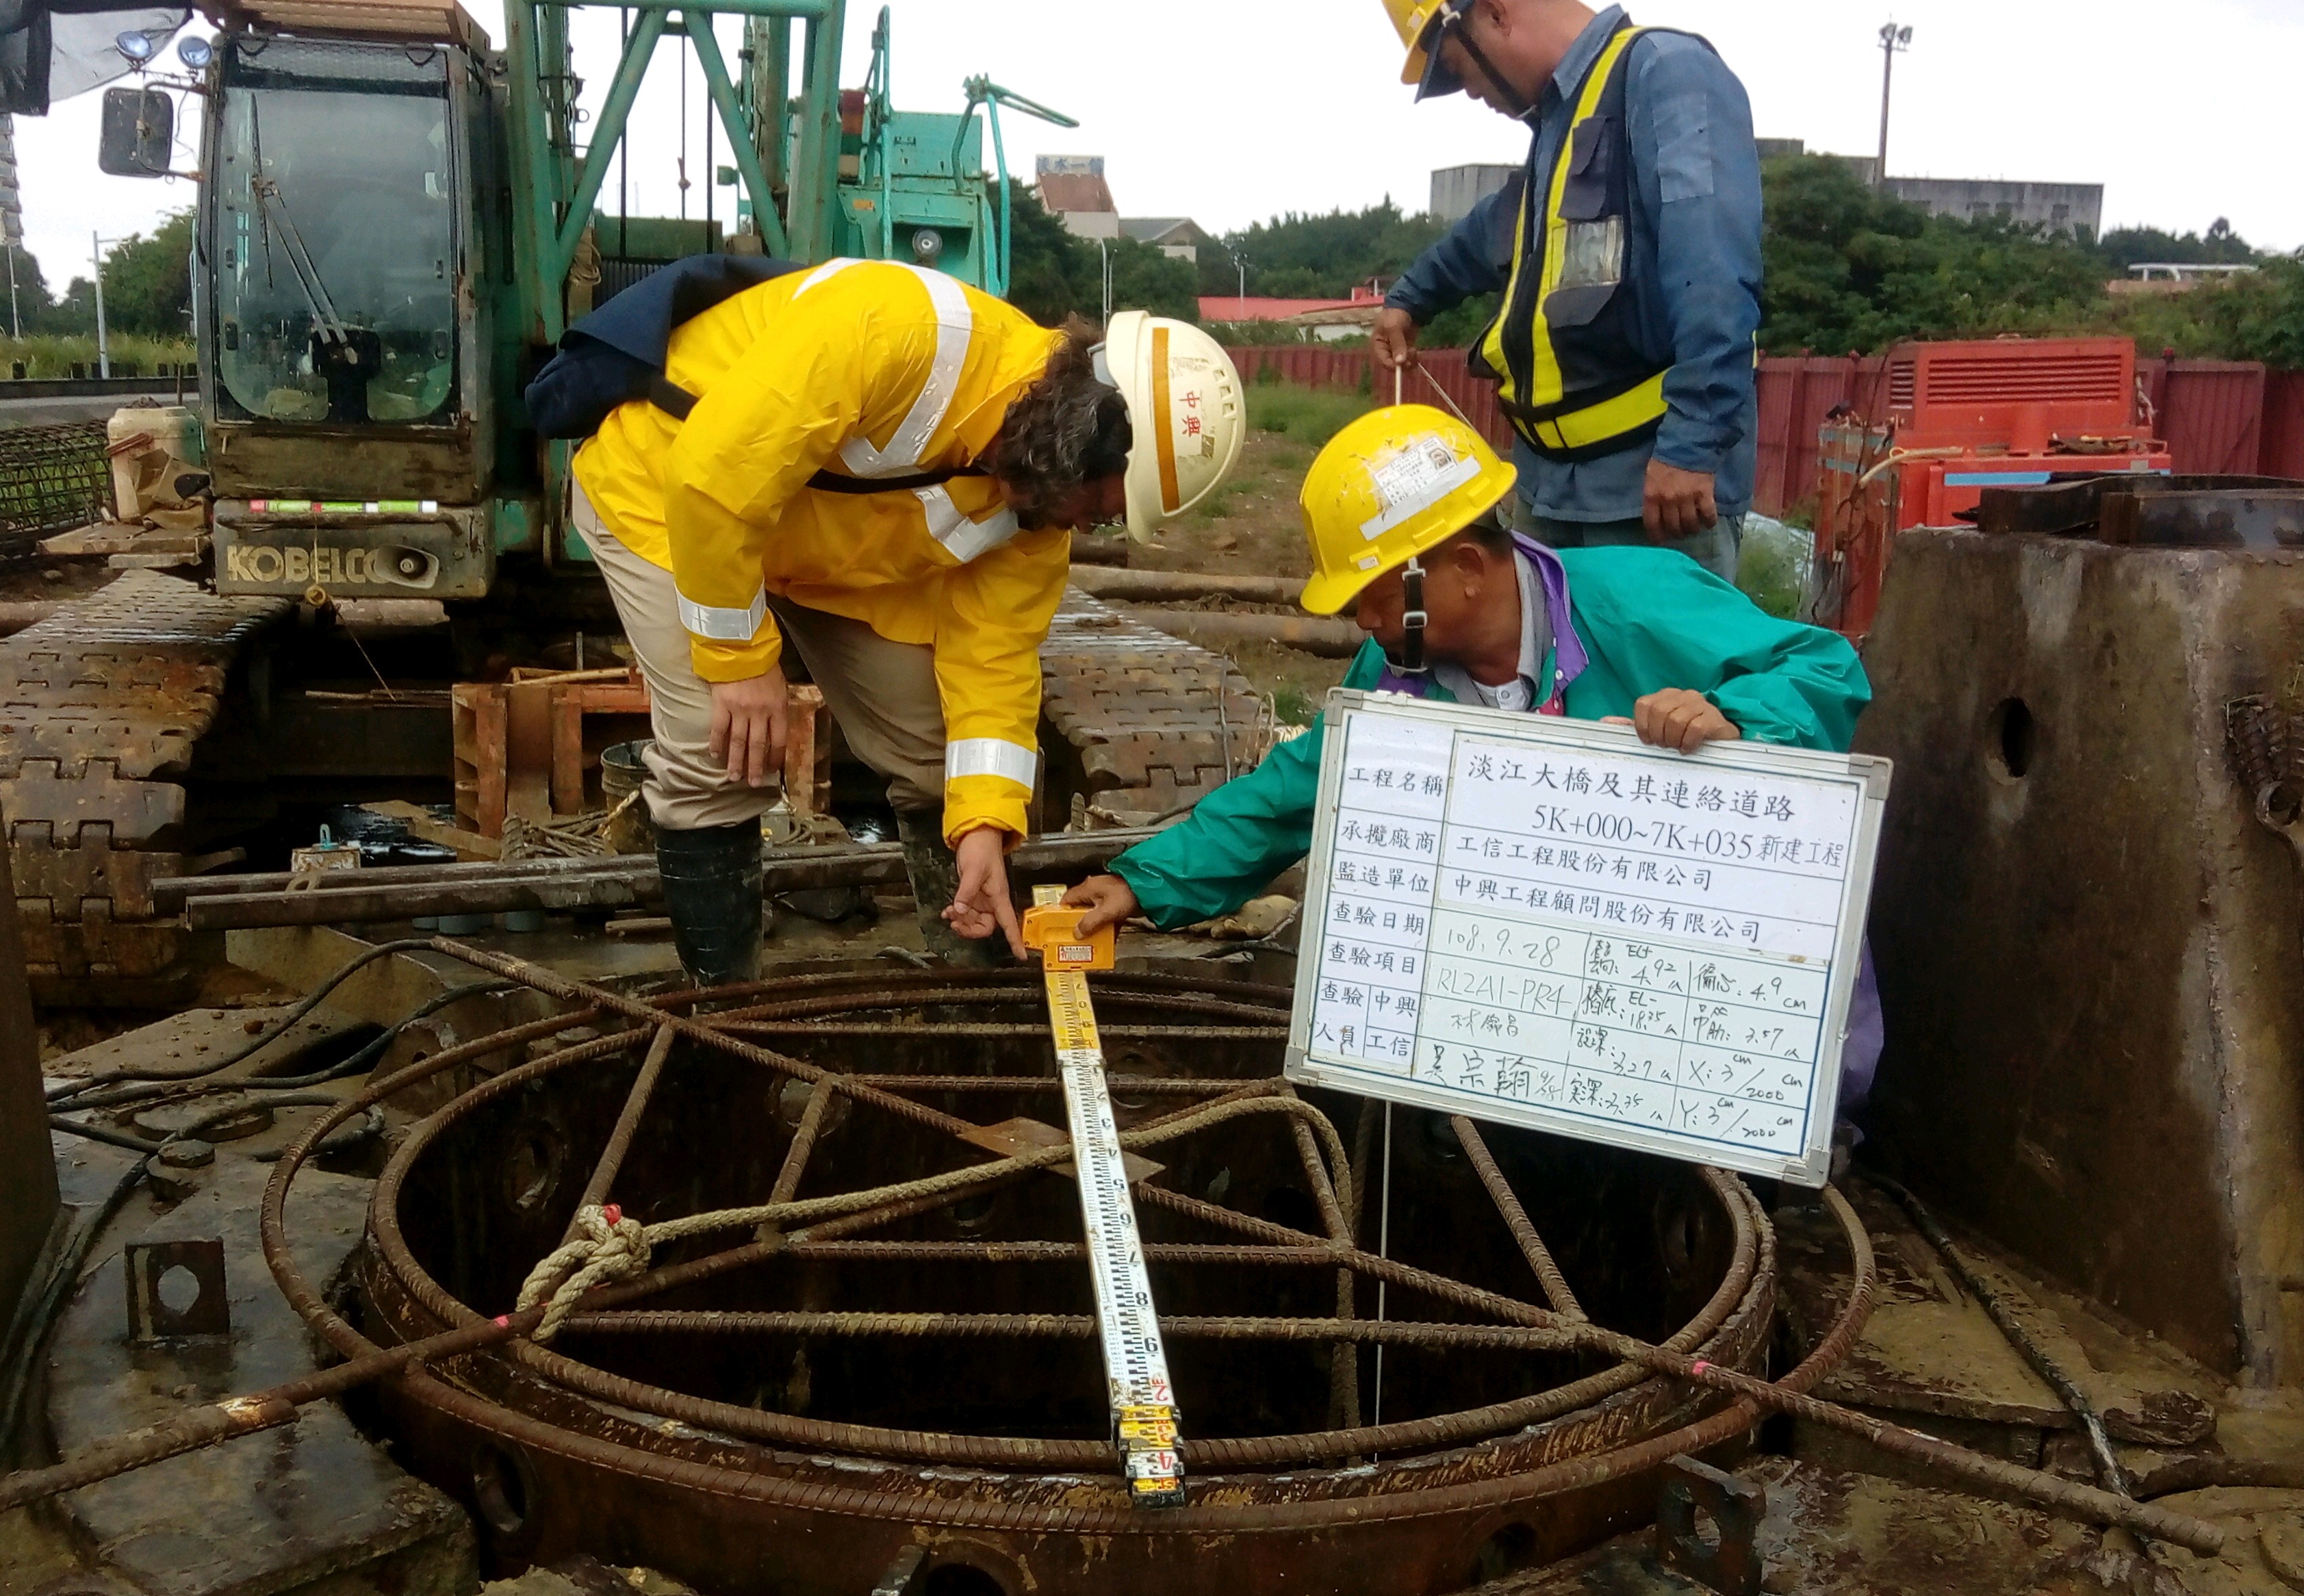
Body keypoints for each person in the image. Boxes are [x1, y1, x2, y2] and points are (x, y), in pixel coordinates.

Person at [1063, 405, 1882, 1106]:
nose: (1358, 621)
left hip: (1702, 973)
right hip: (1548, 991)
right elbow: (1302, 788)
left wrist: (1730, 719)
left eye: (1371, 595)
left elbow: (1826, 668)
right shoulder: (1397, 673)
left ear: (1458, 569)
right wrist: (1143, 883)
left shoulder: (1637, 597)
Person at [568, 261, 1244, 983]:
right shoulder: (893, 333)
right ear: (1087, 440)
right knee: (722, 750)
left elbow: (993, 658)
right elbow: (713, 481)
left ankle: (969, 994)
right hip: (669, 498)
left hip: (815, 549)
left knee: (940, 752)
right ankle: (726, 1015)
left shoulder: (1038, 506)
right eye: (1103, 506)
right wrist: (737, 659)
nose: (1093, 525)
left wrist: (984, 821)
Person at [1369, 0, 1764, 580]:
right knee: (1550, 672)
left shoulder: (1665, 72)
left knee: (1658, 673)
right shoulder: (1562, 123)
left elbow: (1713, 268)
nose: (1474, 93)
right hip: (1550, 493)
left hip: (1652, 496)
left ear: (1498, 14)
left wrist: (1692, 445)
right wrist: (1409, 298)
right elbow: (1496, 230)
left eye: (1461, 70)